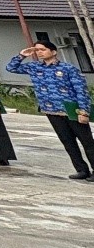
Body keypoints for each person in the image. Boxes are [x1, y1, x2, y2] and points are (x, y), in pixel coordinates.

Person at [6, 39, 93, 179]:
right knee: (68, 142)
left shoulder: (67, 68)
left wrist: (84, 111)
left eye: (43, 49)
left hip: (72, 110)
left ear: (53, 52)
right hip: (51, 110)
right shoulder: (35, 67)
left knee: (87, 142)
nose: (40, 52)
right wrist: (22, 55)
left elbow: (81, 91)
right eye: (37, 50)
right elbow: (11, 68)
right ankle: (82, 170)